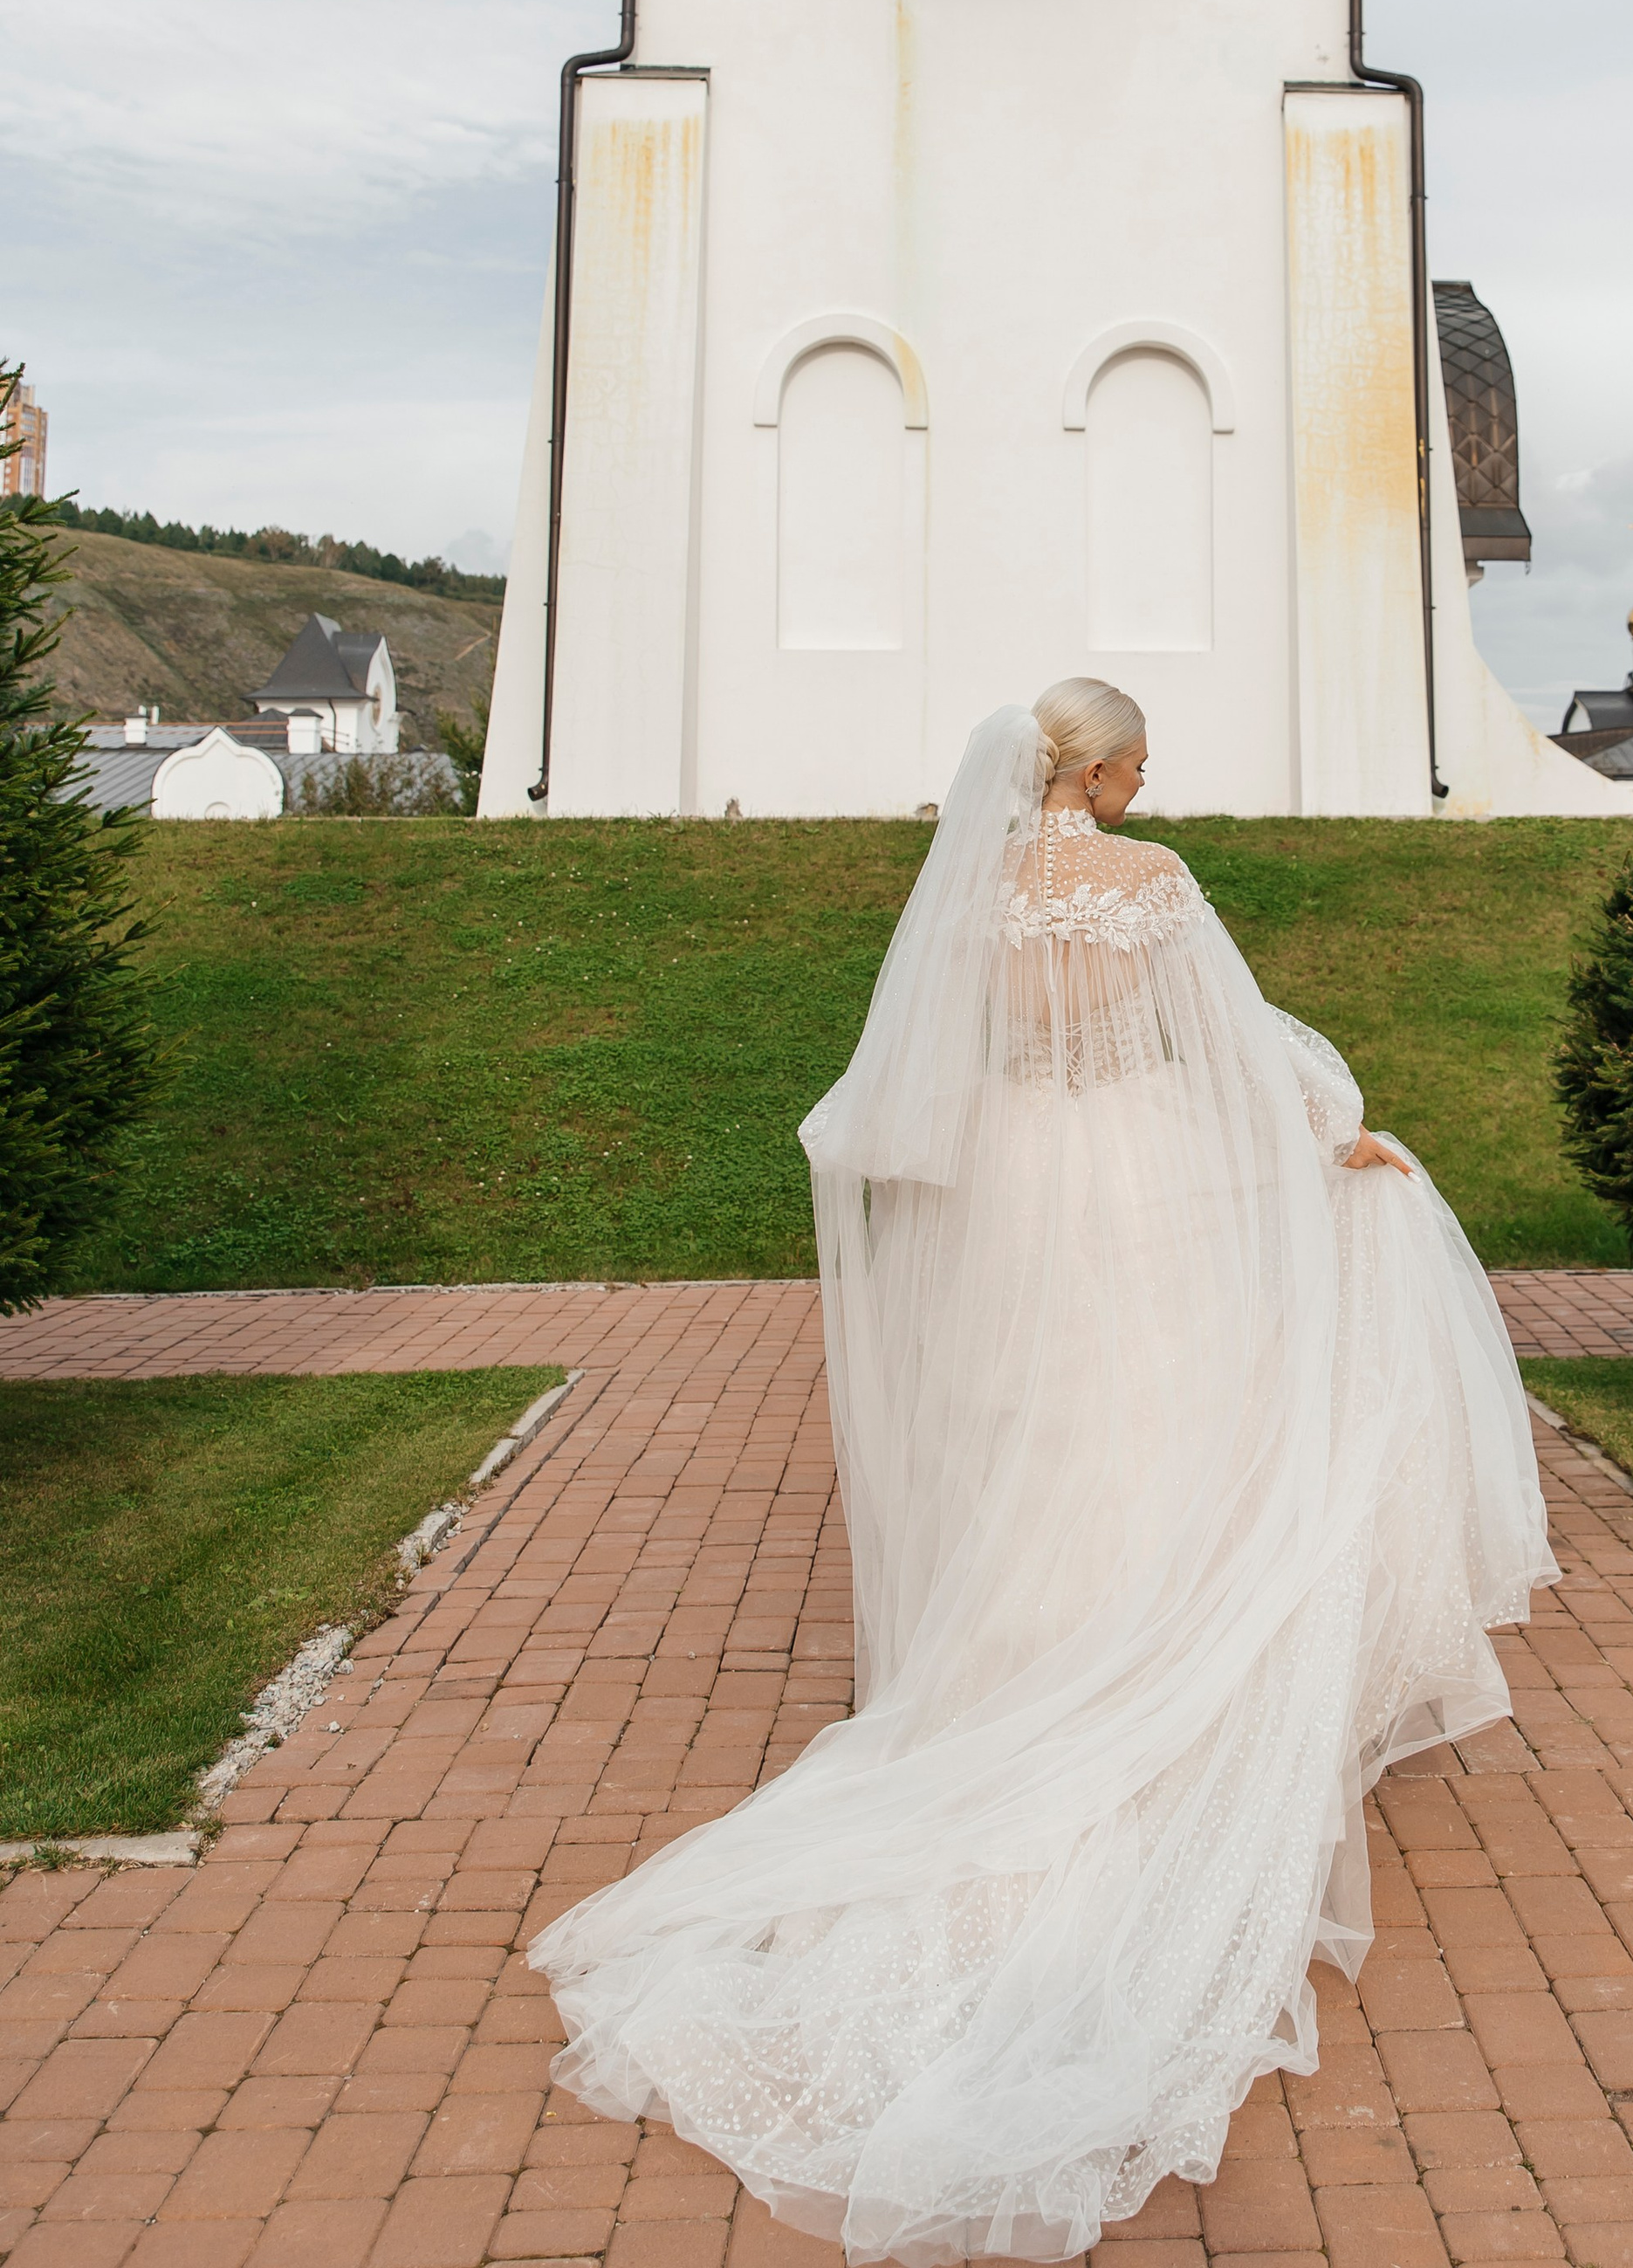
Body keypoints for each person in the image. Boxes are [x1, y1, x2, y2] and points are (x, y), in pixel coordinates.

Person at [531, 682, 1556, 2264]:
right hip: (1133, 1165)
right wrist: (1327, 1131)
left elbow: (916, 1081)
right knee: (1156, 1408)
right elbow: (1224, 1040)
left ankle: (1019, 1667)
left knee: (1028, 1425)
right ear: (1101, 768)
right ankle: (1144, 1678)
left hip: (1009, 1187)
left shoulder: (969, 894)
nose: (1156, 777)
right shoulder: (1150, 887)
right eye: (1144, 756)